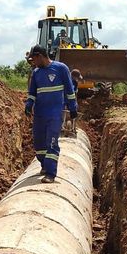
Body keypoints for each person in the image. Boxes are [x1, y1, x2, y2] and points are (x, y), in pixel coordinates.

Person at [25, 45, 78, 183]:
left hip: (54, 114)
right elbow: (32, 93)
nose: (33, 63)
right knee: (39, 144)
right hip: (40, 113)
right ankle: (43, 164)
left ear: (40, 56)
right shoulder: (36, 73)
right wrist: (29, 105)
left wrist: (73, 107)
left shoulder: (61, 69)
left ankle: (50, 173)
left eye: (34, 59)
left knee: (52, 142)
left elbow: (69, 90)